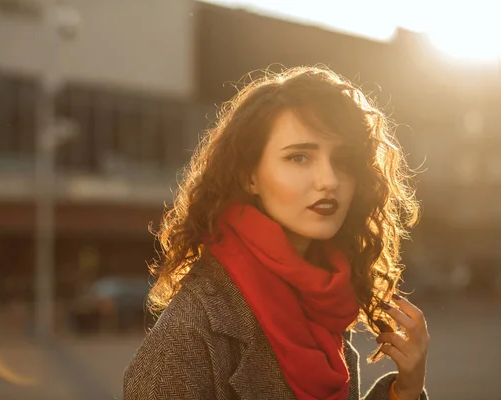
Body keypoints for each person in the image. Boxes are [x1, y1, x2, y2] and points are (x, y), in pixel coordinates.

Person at [123, 66, 429, 400]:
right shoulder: (188, 338)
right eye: (299, 157)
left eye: (342, 159)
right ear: (248, 176)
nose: (329, 179)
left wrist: (404, 391)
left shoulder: (322, 301)